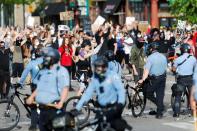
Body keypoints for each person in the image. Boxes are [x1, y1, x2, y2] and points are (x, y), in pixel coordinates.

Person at [74, 57, 129, 130]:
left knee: (117, 126)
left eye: (99, 67)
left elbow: (120, 91)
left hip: (114, 106)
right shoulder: (95, 77)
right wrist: (77, 108)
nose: (97, 70)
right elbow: (88, 93)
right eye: (96, 67)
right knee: (97, 127)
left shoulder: (113, 76)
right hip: (101, 108)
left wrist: (120, 104)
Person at [26, 47, 70, 131]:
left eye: (47, 57)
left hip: (56, 108)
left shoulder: (61, 71)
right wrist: (31, 97)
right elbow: (40, 87)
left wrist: (61, 102)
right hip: (44, 110)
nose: (44, 59)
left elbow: (65, 88)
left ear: (53, 59)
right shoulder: (43, 71)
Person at [138, 42, 167, 119]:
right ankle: (159, 113)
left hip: (154, 79)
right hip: (162, 78)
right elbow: (165, 68)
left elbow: (146, 70)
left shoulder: (150, 58)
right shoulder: (163, 56)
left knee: (148, 93)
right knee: (160, 95)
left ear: (151, 49)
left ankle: (160, 105)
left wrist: (142, 80)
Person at [19, 44, 44, 131]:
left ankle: (33, 125)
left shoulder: (32, 63)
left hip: (35, 86)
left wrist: (20, 83)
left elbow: (24, 73)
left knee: (33, 105)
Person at [172, 43, 196, 117]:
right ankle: (193, 111)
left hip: (181, 79)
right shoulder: (193, 58)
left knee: (178, 96)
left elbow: (173, 69)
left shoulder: (178, 59)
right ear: (189, 50)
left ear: (181, 50)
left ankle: (177, 113)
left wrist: (174, 71)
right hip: (190, 79)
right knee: (192, 95)